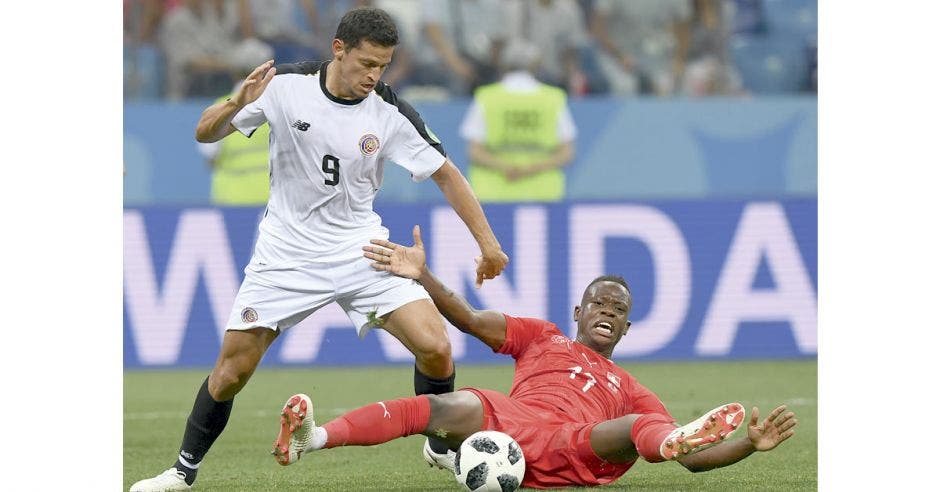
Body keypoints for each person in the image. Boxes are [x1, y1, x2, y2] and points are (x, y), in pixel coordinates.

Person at [129, 7, 509, 492]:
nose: (374, 76)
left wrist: (488, 245)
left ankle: (439, 446)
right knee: (230, 373)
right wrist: (234, 104)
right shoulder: (285, 85)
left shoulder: (388, 113)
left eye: (383, 66)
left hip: (360, 247)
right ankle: (182, 474)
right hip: (285, 252)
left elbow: (445, 172)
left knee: (435, 347)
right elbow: (204, 131)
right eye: (366, 63)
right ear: (338, 49)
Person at [271, 225, 798, 488]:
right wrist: (422, 276)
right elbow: (472, 320)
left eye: (618, 309)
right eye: (599, 302)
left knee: (643, 427)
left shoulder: (627, 384)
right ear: (579, 310)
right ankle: (311, 439)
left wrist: (747, 446)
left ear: (627, 326)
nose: (607, 311)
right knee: (435, 408)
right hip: (510, 424)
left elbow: (694, 461)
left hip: (577, 443)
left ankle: (673, 430)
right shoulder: (542, 337)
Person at [459, 39, 577, 202]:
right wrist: (531, 169)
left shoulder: (487, 97)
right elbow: (566, 152)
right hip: (543, 192)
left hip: (492, 192)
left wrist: (506, 168)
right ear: (536, 65)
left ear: (503, 66)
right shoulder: (553, 98)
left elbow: (474, 151)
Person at [198, 80, 271, 205]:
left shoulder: (221, 105)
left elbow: (210, 156)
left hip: (232, 198)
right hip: (270, 197)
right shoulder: (275, 103)